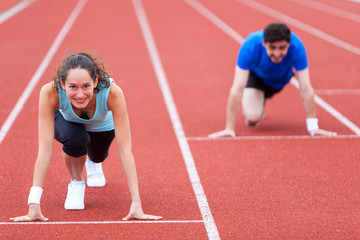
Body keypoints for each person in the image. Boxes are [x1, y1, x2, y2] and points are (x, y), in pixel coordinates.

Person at [10, 52, 162, 221]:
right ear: (62, 83)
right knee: (76, 139)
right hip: (67, 120)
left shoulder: (112, 92)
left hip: (102, 125)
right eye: (73, 87)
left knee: (98, 155)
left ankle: (93, 163)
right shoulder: (49, 92)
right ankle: (76, 181)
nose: (80, 94)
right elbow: (45, 150)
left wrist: (136, 203)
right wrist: (33, 203)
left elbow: (125, 151)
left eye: (86, 86)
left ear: (96, 82)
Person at [209, 22, 337, 138]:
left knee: (291, 86)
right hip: (257, 79)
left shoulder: (297, 47)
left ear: (289, 44)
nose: (277, 53)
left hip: (280, 80)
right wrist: (229, 128)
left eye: (282, 48)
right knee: (252, 118)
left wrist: (313, 127)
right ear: (264, 43)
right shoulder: (250, 46)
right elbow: (237, 88)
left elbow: (305, 88)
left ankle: (260, 98)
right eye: (272, 48)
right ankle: (257, 100)